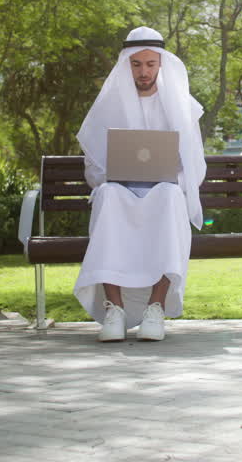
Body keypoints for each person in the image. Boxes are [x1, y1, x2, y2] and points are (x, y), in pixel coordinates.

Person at [75, 26, 206, 343]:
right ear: (126, 65)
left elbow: (194, 165)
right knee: (107, 194)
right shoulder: (108, 105)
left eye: (150, 64)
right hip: (119, 190)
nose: (144, 72)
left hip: (163, 191)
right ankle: (114, 310)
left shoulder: (181, 105)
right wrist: (114, 174)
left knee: (172, 196)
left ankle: (156, 308)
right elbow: (93, 167)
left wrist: (169, 173)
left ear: (161, 64)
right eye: (136, 64)